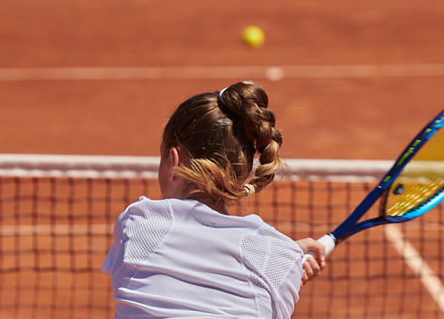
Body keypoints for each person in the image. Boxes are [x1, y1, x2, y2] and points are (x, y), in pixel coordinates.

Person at [102, 80, 328, 319]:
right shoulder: (280, 259)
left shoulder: (137, 224)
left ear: (173, 160)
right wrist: (287, 261)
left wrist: (284, 260)